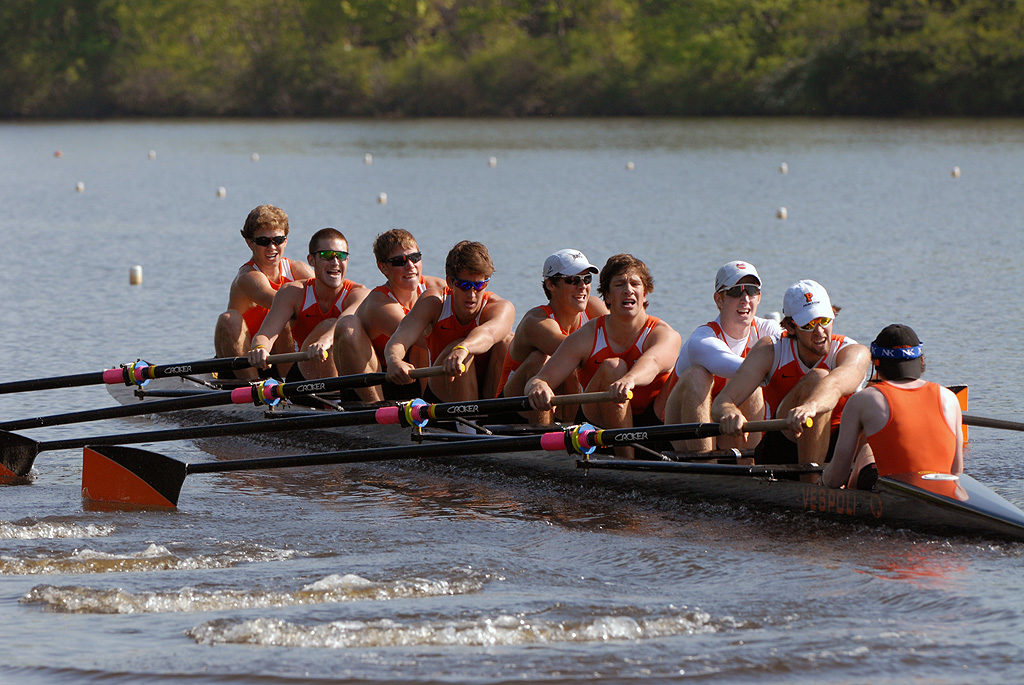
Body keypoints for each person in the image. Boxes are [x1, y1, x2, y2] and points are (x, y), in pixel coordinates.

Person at [525, 254, 682, 458]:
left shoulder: (664, 334)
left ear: (644, 295)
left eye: (635, 284)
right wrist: (539, 387)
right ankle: (626, 461)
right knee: (613, 367)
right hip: (597, 426)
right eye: (619, 284)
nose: (628, 290)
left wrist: (629, 380)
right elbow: (539, 379)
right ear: (607, 296)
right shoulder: (589, 335)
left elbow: (652, 362)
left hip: (650, 422)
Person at [712, 279, 870, 469]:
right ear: (790, 326)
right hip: (783, 445)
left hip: (840, 444)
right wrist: (730, 413)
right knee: (818, 377)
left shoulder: (853, 352)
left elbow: (836, 385)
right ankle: (811, 485)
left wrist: (812, 406)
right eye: (809, 324)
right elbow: (721, 403)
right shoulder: (770, 350)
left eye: (825, 321)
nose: (820, 332)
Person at [821, 324, 963, 489]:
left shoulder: (863, 399)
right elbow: (957, 470)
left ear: (876, 363)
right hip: (943, 493)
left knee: (867, 451)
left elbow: (837, 477)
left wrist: (822, 482)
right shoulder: (949, 398)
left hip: (890, 496)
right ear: (921, 360)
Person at [662, 260, 782, 454]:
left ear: (759, 297)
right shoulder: (701, 340)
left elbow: (795, 353)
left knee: (754, 376)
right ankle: (705, 465)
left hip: (729, 428)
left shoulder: (768, 330)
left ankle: (750, 466)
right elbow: (743, 369)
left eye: (751, 291)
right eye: (736, 291)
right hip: (679, 432)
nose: (745, 299)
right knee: (702, 375)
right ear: (719, 299)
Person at [385, 240, 515, 403]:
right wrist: (394, 360)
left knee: (507, 341)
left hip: (487, 392)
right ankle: (471, 426)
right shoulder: (434, 302)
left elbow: (488, 334)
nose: (472, 294)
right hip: (442, 394)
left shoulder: (501, 307)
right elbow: (400, 339)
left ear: (486, 283)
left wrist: (464, 348)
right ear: (450, 282)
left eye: (479, 285)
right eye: (464, 285)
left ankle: (492, 415)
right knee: (459, 348)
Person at [332, 229, 446, 402]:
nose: (410, 266)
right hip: (377, 383)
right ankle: (376, 410)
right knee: (348, 325)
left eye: (415, 258)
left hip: (412, 377)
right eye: (400, 261)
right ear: (383, 267)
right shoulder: (380, 303)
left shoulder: (436, 287)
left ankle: (431, 407)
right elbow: (428, 341)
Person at [497, 249, 608, 423]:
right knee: (544, 359)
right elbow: (572, 353)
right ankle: (549, 435)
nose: (582, 287)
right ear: (551, 285)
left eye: (587, 279)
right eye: (572, 280)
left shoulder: (594, 307)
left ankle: (572, 429)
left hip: (562, 403)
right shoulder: (537, 322)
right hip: (513, 409)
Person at [248, 228, 369, 380]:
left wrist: (324, 341)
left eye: (341, 256)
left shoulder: (359, 294)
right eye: (327, 256)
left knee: (334, 326)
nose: (335, 262)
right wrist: (260, 348)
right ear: (311, 260)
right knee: (328, 324)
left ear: (347, 260)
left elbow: (343, 320)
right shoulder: (292, 293)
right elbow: (266, 334)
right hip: (304, 376)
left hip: (346, 376)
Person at [214, 204, 313, 379]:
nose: (272, 247)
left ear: (286, 240)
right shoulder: (248, 277)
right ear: (250, 242)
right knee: (229, 319)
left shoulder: (298, 270)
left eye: (278, 240)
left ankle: (287, 385)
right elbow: (278, 302)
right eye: (263, 241)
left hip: (280, 359)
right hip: (244, 361)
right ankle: (252, 386)